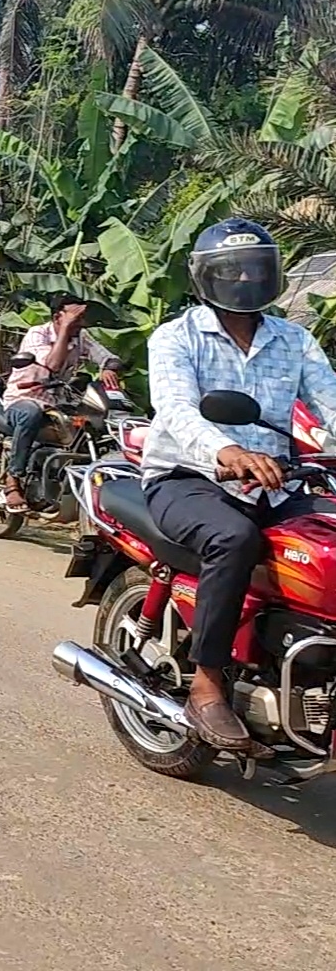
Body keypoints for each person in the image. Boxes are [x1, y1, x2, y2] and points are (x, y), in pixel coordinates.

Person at [140, 218, 336, 750]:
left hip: (277, 484)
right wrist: (226, 451)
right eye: (233, 271)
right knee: (233, 538)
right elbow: (177, 408)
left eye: (256, 270)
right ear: (207, 277)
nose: (246, 280)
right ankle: (206, 685)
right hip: (188, 477)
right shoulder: (176, 337)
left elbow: (330, 402)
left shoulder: (295, 339)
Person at [2, 294, 125, 510]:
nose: (81, 322)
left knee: (88, 426)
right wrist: (66, 330)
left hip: (58, 400)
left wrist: (108, 367)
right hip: (23, 398)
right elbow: (53, 365)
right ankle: (13, 480)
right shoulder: (37, 334)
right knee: (31, 414)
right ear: (58, 316)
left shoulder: (81, 336)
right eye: (76, 317)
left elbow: (108, 356)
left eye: (82, 317)